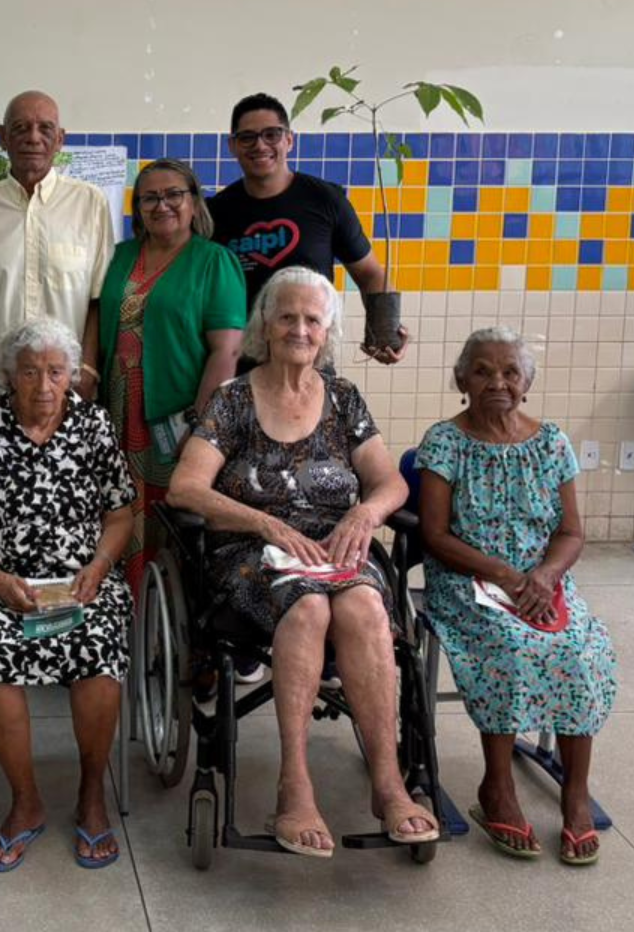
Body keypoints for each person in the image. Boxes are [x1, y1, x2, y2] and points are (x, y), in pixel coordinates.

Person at [167, 265, 435, 858]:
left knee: (366, 605)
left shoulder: (343, 399)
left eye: (312, 319)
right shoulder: (233, 399)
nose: (299, 328)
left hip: (338, 546)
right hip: (253, 551)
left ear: (327, 330)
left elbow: (389, 483)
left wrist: (364, 517)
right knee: (310, 608)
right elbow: (185, 489)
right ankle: (295, 785)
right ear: (265, 322)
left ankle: (389, 784)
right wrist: (268, 523)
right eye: (286, 315)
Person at [416, 327, 618, 866]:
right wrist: (504, 575)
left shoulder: (552, 442)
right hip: (468, 581)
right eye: (481, 371)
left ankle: (575, 794)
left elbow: (572, 532)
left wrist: (545, 578)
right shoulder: (445, 441)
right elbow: (433, 535)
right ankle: (497, 787)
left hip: (541, 582)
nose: (496, 382)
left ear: (526, 382)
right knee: (511, 647)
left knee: (580, 650)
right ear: (462, 380)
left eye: (509, 372)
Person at [0, 318, 135, 873]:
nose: (45, 385)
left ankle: (92, 794)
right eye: (31, 372)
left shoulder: (94, 426)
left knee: (99, 648)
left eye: (56, 372)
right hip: (1, 582)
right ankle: (25, 802)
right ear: (10, 376)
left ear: (73, 375)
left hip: (82, 580)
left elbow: (120, 515)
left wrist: (99, 566)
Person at [97, 158, 244, 589]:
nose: (162, 205)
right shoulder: (121, 256)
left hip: (176, 414)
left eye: (173, 194)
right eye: (150, 197)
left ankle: (169, 627)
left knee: (169, 512)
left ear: (194, 201)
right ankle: (123, 609)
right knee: (117, 505)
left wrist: (201, 426)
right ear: (138, 207)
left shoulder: (214, 261)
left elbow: (227, 350)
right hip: (116, 410)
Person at [0, 90, 117, 417]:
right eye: (21, 128)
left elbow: (97, 301)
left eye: (45, 128)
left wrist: (88, 372)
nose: (33, 138)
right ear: (2, 138)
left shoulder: (90, 204)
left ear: (60, 139)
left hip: (68, 388)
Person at [208, 92, 406, 364]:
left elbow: (370, 273)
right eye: (247, 137)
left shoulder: (326, 200)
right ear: (232, 146)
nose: (260, 145)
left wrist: (384, 331)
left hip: (311, 364)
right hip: (240, 367)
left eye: (271, 134)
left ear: (289, 140)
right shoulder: (217, 212)